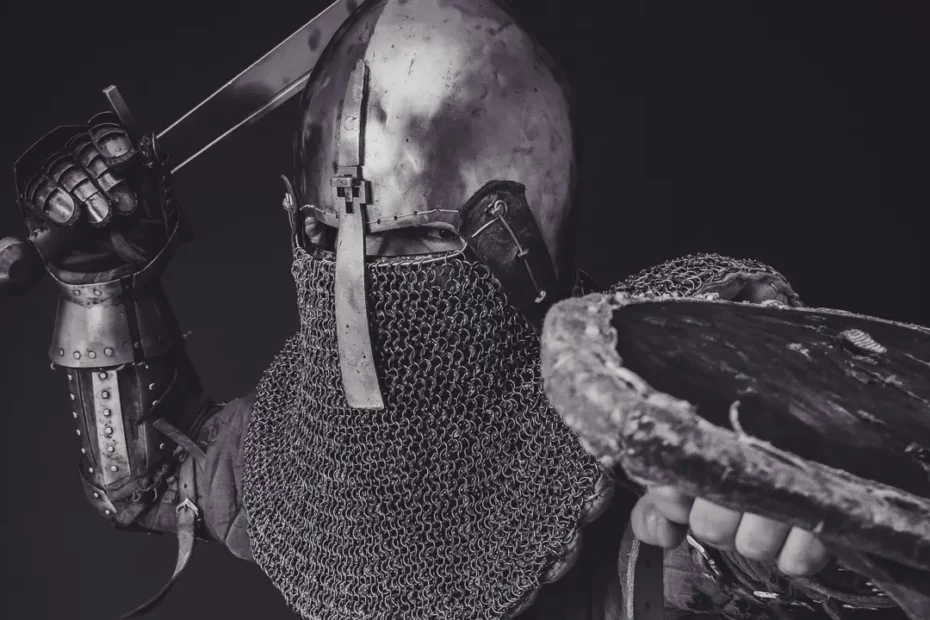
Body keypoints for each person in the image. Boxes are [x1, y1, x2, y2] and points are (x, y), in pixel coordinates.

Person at [9, 1, 902, 618]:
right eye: (328, 238)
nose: (359, 288)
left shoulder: (669, 409)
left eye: (415, 243)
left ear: (518, 237)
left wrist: (779, 519)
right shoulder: (306, 458)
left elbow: (839, 544)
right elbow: (146, 480)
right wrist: (105, 287)